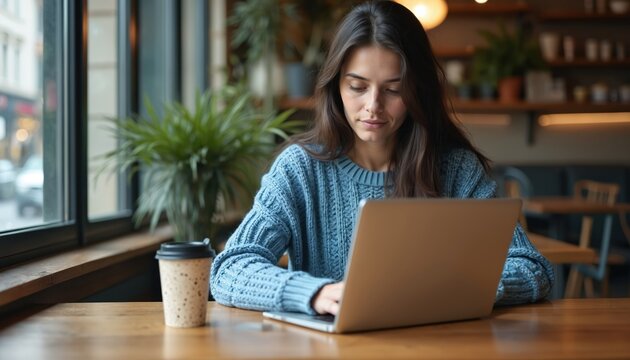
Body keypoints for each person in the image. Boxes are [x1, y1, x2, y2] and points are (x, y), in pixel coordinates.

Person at [210, 0, 554, 316]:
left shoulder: (455, 171)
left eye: (393, 89)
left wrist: (464, 291)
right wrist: (315, 293)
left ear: (417, 90)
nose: (373, 105)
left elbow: (530, 267)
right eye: (357, 87)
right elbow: (230, 268)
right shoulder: (300, 170)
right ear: (335, 86)